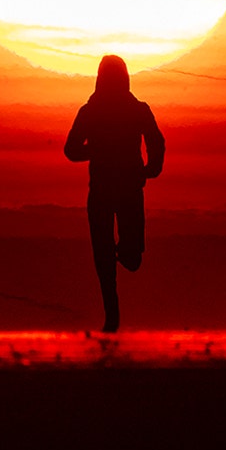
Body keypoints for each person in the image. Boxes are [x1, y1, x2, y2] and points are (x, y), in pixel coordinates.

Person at [63, 55, 165, 333]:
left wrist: (151, 168)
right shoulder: (91, 111)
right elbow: (71, 149)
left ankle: (126, 257)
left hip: (128, 188)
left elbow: (156, 141)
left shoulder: (136, 110)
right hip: (104, 190)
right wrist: (96, 151)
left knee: (130, 258)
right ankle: (112, 313)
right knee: (102, 254)